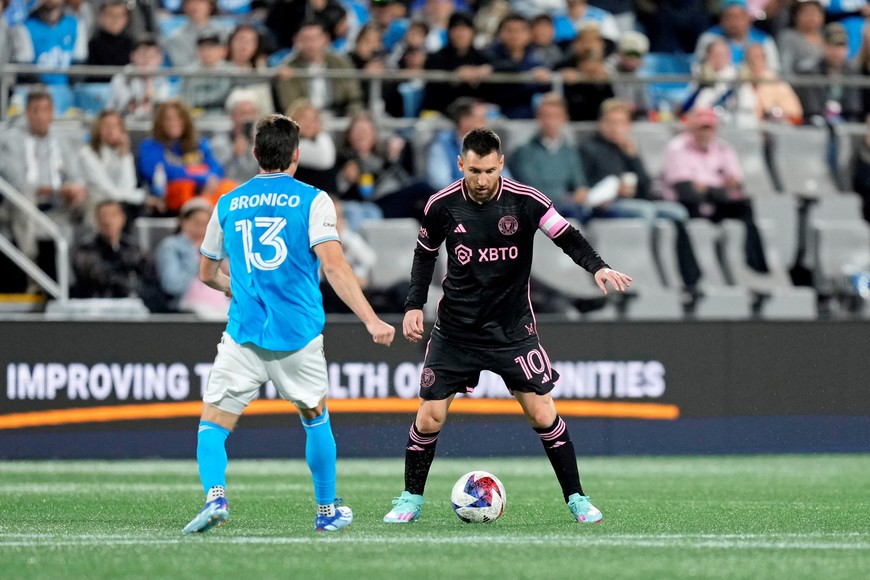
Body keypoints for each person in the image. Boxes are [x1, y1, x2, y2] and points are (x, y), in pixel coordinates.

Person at [382, 127, 632, 525]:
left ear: (501, 165)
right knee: (429, 416)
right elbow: (424, 256)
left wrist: (597, 267)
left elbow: (567, 236)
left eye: (489, 171)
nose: (481, 181)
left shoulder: (526, 201)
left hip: (512, 331)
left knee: (542, 414)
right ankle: (409, 499)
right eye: (474, 171)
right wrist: (415, 305)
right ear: (461, 165)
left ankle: (577, 499)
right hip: (456, 330)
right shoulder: (441, 205)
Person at [184, 113, 396, 534]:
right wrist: (371, 319)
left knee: (213, 424)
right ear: (297, 154)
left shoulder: (227, 202)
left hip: (243, 333)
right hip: (297, 336)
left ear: (255, 153)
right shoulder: (313, 199)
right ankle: (325, 511)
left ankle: (216, 496)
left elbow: (206, 274)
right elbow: (334, 266)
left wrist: (235, 288)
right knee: (315, 415)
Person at [661, 107, 769, 273]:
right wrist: (718, 186)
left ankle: (756, 263)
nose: (705, 133)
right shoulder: (677, 147)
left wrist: (706, 187)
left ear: (715, 129)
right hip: (688, 204)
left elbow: (736, 184)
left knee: (745, 206)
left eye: (709, 128)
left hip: (715, 201)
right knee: (693, 203)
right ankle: (693, 274)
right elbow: (686, 190)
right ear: (691, 128)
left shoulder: (724, 148)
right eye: (701, 128)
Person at [137, 100, 235, 214]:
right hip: (172, 196)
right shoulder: (150, 146)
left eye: (179, 118)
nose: (174, 123)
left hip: (205, 190)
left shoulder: (198, 143)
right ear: (160, 123)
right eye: (169, 119)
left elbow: (216, 167)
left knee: (229, 188)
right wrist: (201, 177)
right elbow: (160, 171)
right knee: (185, 187)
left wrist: (210, 178)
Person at [273, 19, 363, 116]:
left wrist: (354, 114)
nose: (311, 44)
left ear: (326, 39)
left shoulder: (341, 63)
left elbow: (354, 96)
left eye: (315, 38)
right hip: (304, 118)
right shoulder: (288, 67)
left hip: (339, 114)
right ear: (296, 40)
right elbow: (289, 105)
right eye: (305, 39)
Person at [73, 200, 148, 298]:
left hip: (130, 302)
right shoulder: (86, 248)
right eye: (103, 216)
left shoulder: (132, 247)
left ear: (122, 219)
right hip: (95, 302)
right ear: (97, 220)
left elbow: (146, 271)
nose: (108, 221)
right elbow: (99, 276)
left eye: (113, 215)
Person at [79, 109, 147, 210]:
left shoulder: (123, 153)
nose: (111, 130)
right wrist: (140, 197)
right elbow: (108, 191)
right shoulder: (86, 154)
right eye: (106, 126)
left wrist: (124, 155)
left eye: (116, 126)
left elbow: (128, 187)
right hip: (97, 204)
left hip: (121, 204)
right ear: (98, 129)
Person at [694, 0, 781, 71]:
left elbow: (773, 70)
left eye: (739, 17)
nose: (734, 23)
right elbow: (698, 68)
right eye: (729, 17)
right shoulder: (708, 38)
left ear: (748, 18)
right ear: (721, 19)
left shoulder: (764, 41)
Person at [107, 34, 171, 118]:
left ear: (160, 58)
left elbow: (159, 108)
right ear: (133, 56)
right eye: (142, 55)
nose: (147, 60)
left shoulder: (162, 79)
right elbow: (131, 109)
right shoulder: (121, 78)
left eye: (151, 56)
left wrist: (149, 81)